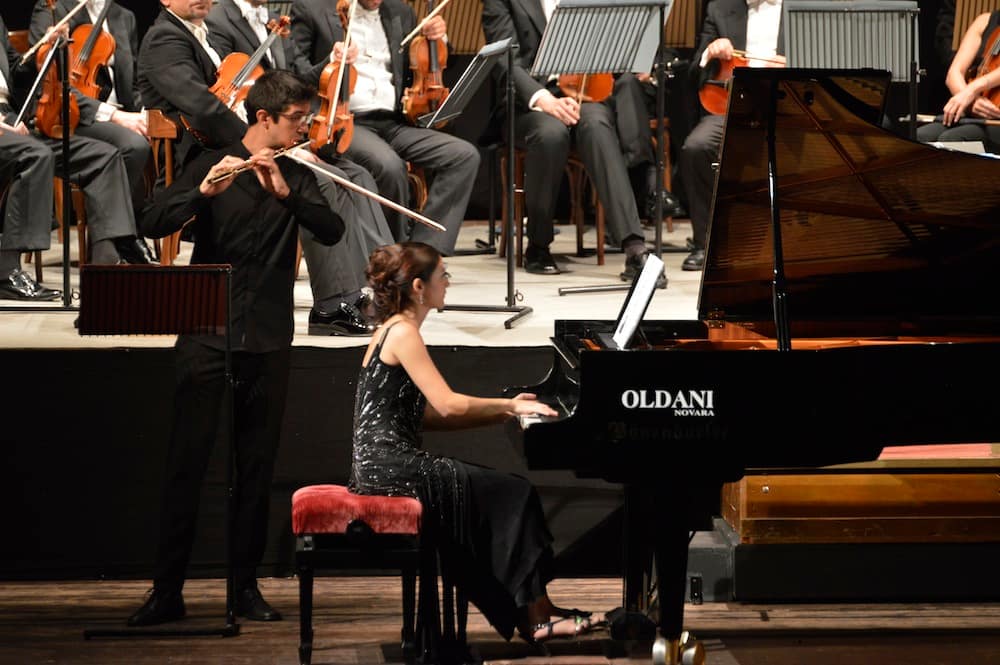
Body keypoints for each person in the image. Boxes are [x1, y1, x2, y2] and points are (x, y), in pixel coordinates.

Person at [128, 70, 345, 626]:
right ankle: (166, 592)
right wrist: (200, 195)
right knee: (186, 466)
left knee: (255, 469)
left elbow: (332, 229)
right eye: (297, 118)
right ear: (264, 118)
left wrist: (286, 194)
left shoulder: (296, 173)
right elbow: (152, 221)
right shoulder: (211, 163)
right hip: (206, 332)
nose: (305, 128)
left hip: (267, 338)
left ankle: (245, 587)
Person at [350, 241, 605, 643]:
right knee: (513, 493)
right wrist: (510, 405)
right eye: (443, 276)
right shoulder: (403, 333)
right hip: (391, 469)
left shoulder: (393, 329)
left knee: (508, 492)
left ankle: (538, 610)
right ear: (419, 287)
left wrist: (503, 413)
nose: (448, 283)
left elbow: (424, 416)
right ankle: (536, 618)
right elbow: (448, 405)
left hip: (383, 465)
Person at [205, 0, 396, 336]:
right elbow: (225, 101)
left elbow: (297, 82)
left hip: (280, 137)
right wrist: (271, 148)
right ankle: (330, 304)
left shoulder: (274, 21)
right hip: (242, 144)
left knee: (357, 176)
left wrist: (331, 61)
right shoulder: (219, 20)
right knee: (324, 180)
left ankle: (372, 286)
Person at [481, 0, 666, 282]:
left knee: (597, 125)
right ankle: (538, 244)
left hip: (581, 94)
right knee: (551, 133)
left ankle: (634, 247)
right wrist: (544, 100)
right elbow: (504, 60)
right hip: (527, 103)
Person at [290, 0, 480, 256]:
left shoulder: (400, 12)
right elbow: (295, 74)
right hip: (345, 121)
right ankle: (391, 254)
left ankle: (424, 250)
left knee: (462, 155)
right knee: (389, 166)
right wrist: (330, 60)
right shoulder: (311, 9)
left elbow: (423, 59)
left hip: (395, 121)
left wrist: (438, 38)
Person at [0, 16, 148, 303]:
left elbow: (19, 73)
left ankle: (104, 264)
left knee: (104, 156)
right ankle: (6, 271)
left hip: (13, 120)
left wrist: (47, 52)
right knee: (36, 155)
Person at [29, 0, 157, 263]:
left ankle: (112, 240)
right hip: (70, 115)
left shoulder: (124, 16)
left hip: (119, 112)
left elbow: (132, 82)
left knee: (143, 137)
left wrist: (143, 111)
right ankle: (122, 237)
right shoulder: (54, 8)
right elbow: (45, 76)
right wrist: (115, 116)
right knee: (133, 145)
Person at [677, 0, 785, 271]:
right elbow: (694, 72)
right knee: (697, 147)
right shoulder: (720, 9)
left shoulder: (803, 8)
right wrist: (709, 53)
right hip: (732, 107)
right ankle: (705, 244)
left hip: (787, 108)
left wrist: (794, 65)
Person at [917, 10, 1000, 153]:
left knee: (952, 139)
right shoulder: (984, 21)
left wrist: (972, 89)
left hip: (996, 118)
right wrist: (970, 102)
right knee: (920, 136)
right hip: (972, 112)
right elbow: (954, 73)